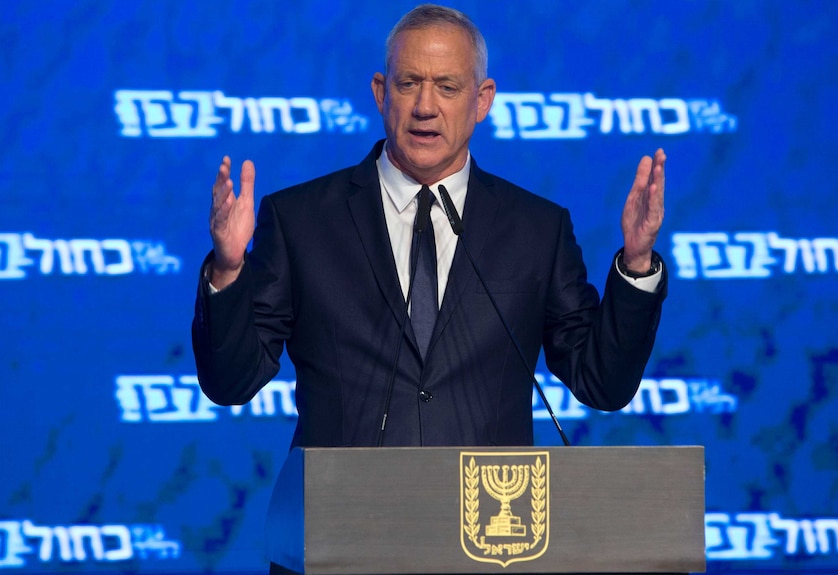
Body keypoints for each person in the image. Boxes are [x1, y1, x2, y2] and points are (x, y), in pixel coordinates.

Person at [192, 3, 667, 449]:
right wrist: (229, 272)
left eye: (447, 87)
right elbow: (232, 383)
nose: (425, 105)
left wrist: (638, 264)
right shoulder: (302, 222)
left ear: (482, 100)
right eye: (408, 83)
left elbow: (601, 383)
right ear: (381, 93)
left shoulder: (536, 230)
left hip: (488, 523)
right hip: (343, 521)